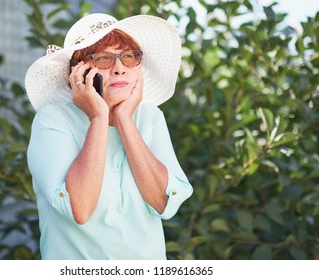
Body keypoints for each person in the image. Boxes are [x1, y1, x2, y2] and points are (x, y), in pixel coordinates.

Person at [25, 13, 193, 260]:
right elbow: (79, 210)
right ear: (78, 73)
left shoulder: (150, 118)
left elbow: (164, 203)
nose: (119, 69)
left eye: (128, 57)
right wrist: (99, 117)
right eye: (103, 59)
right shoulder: (53, 119)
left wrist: (124, 118)